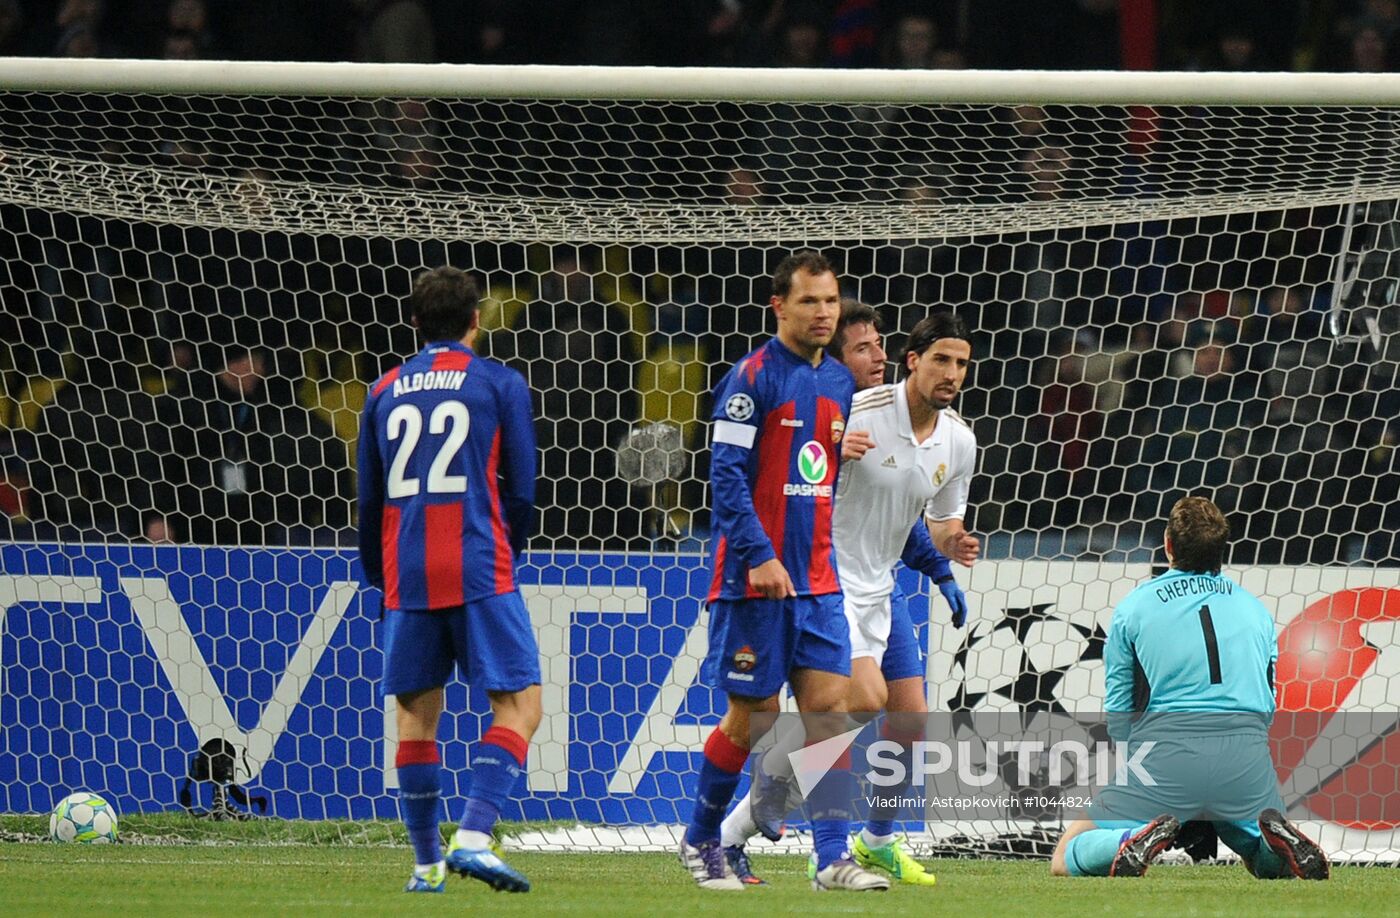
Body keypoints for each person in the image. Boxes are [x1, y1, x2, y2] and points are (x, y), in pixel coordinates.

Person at [719, 302, 975, 887]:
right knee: (857, 701)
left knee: (910, 719)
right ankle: (809, 845)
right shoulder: (855, 412)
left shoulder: (960, 441)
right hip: (829, 578)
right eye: (941, 360)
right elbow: (791, 478)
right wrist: (831, 452)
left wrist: (949, 553)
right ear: (915, 361)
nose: (952, 374)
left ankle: (873, 841)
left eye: (961, 364)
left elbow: (935, 521)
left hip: (881, 584)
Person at [680, 250, 886, 892]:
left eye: (830, 301)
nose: (824, 313)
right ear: (779, 306)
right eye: (809, 301)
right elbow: (726, 479)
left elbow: (816, 477)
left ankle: (830, 860)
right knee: (752, 720)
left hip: (818, 581)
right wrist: (760, 555)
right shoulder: (751, 380)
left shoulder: (840, 385)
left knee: (829, 714)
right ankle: (701, 841)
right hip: (753, 582)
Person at [357, 266, 541, 894]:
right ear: (476, 320)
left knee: (415, 716)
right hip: (478, 560)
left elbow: (368, 501)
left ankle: (425, 864)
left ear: (414, 323)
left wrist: (381, 578)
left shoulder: (383, 390)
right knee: (521, 705)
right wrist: (507, 549)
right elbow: (522, 489)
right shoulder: (498, 383)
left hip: (406, 571)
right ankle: (474, 836)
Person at [1050, 496, 1328, 880]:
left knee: (1065, 854)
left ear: (1168, 545)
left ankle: (1131, 840)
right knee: (1262, 860)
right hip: (1244, 758)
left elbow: (1120, 714)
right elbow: (1267, 706)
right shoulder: (1256, 611)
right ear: (1221, 551)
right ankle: (1275, 843)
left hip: (1168, 756)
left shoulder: (1134, 608)